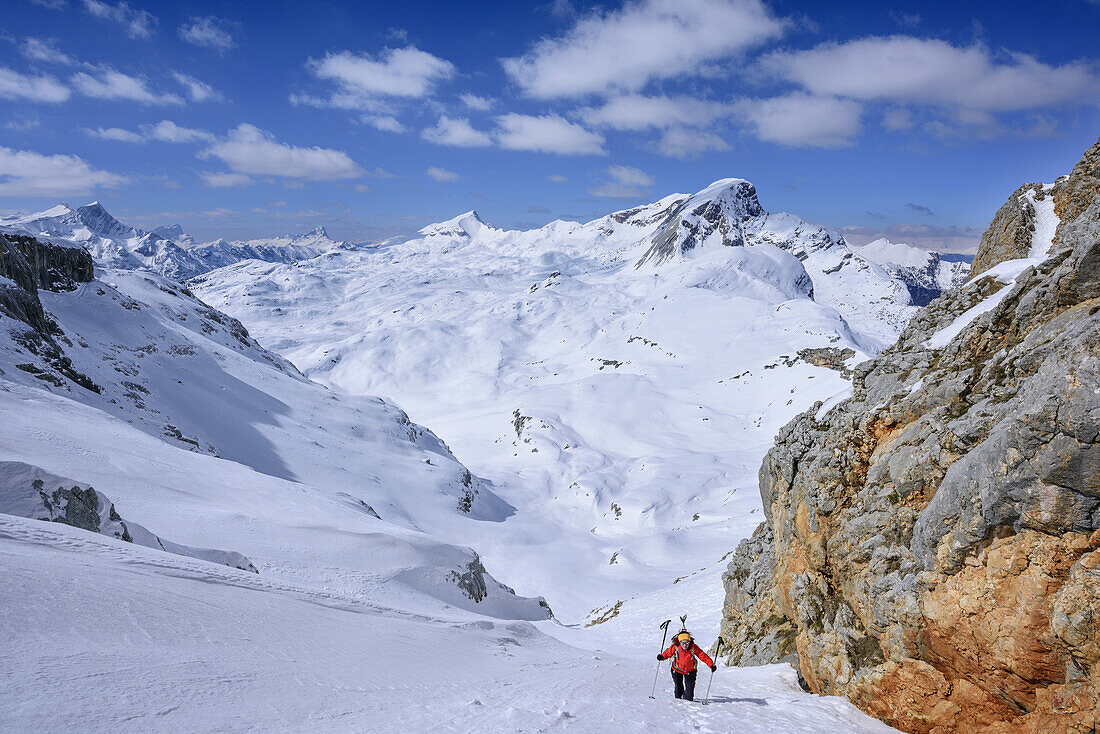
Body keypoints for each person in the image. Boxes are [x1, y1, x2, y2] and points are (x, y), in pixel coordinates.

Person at [657, 631, 716, 701]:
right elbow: (667, 653)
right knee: (678, 692)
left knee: (689, 697)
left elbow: (703, 656)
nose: (685, 645)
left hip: (690, 671)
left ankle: (685, 698)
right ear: (680, 642)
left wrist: (711, 665)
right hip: (677, 670)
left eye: (687, 643)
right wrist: (662, 657)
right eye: (683, 643)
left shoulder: (693, 647)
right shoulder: (675, 647)